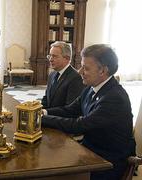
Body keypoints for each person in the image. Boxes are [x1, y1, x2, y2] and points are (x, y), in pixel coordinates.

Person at [42, 44, 136, 180]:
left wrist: (40, 119)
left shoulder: (114, 97)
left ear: (103, 71)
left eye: (86, 68)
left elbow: (79, 125)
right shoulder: (90, 88)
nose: (80, 72)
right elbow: (70, 110)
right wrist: (43, 113)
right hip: (89, 149)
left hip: (107, 160)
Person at [41, 41, 85, 108]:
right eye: (50, 56)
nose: (50, 59)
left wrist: (45, 112)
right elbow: (47, 98)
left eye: (54, 56)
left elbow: (70, 108)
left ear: (67, 58)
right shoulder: (52, 74)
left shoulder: (76, 78)